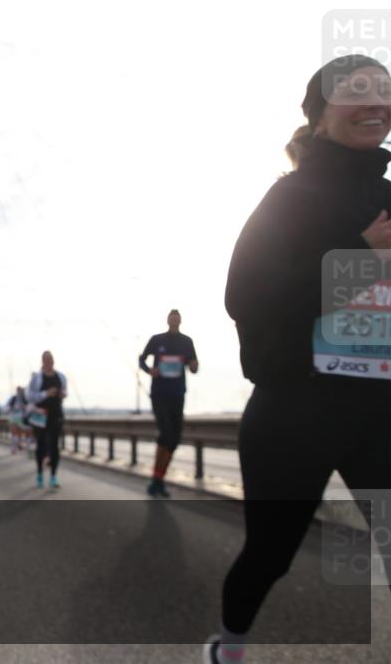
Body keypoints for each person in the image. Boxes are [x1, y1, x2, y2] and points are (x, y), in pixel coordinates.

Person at [205, 55, 391, 664]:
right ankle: (228, 648)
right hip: (297, 409)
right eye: (356, 91)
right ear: (318, 116)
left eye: (384, 92)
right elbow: (247, 299)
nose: (375, 103)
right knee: (271, 554)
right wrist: (358, 255)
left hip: (381, 411)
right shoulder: (289, 197)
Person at [138, 309, 199, 497]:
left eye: (177, 319)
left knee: (174, 439)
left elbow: (194, 365)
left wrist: (194, 365)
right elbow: (141, 359)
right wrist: (149, 370)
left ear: (180, 321)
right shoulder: (157, 340)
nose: (174, 321)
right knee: (165, 434)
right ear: (168, 320)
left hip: (178, 394)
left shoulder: (187, 342)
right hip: (159, 394)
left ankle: (159, 479)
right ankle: (156, 481)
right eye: (171, 318)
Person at [26, 353, 68, 489]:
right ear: (43, 362)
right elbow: (30, 396)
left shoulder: (61, 377)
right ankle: (39, 474)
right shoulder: (36, 378)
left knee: (55, 447)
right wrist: (46, 393)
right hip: (40, 415)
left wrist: (62, 394)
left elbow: (65, 392)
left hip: (56, 414)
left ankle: (53, 477)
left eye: (51, 360)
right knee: (41, 446)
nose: (50, 362)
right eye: (47, 360)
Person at [5, 386, 30, 454]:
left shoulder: (15, 398)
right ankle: (17, 448)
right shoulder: (18, 399)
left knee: (16, 434)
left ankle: (15, 447)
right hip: (19, 418)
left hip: (17, 418)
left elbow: (6, 409)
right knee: (17, 434)